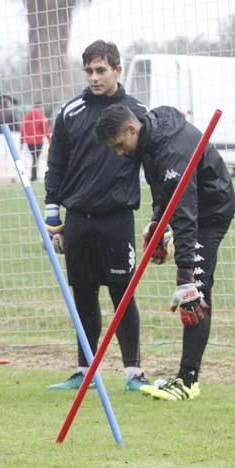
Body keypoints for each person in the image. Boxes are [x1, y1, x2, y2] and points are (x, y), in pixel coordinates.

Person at [95, 104, 235, 401]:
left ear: (132, 129)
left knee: (195, 293)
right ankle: (185, 377)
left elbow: (186, 214)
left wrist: (184, 277)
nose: (120, 153)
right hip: (192, 209)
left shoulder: (172, 149)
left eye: (120, 145)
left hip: (210, 213)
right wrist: (156, 224)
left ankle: (187, 381)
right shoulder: (149, 140)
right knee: (194, 288)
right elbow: (165, 192)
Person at [43, 40, 151, 392]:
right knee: (83, 295)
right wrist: (52, 213)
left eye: (101, 70)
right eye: (88, 70)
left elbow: (153, 164)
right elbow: (55, 165)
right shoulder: (70, 112)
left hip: (117, 218)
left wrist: (159, 218)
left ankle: (134, 373)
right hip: (77, 219)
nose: (94, 77)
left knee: (123, 294)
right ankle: (84, 371)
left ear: (117, 71)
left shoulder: (137, 113)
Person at [19, 101, 51, 182]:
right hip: (38, 140)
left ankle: (34, 177)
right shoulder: (41, 116)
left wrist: (22, 142)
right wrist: (49, 140)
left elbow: (23, 129)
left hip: (29, 141)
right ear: (40, 107)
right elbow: (45, 128)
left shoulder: (27, 116)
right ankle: (34, 177)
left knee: (34, 158)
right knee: (35, 159)